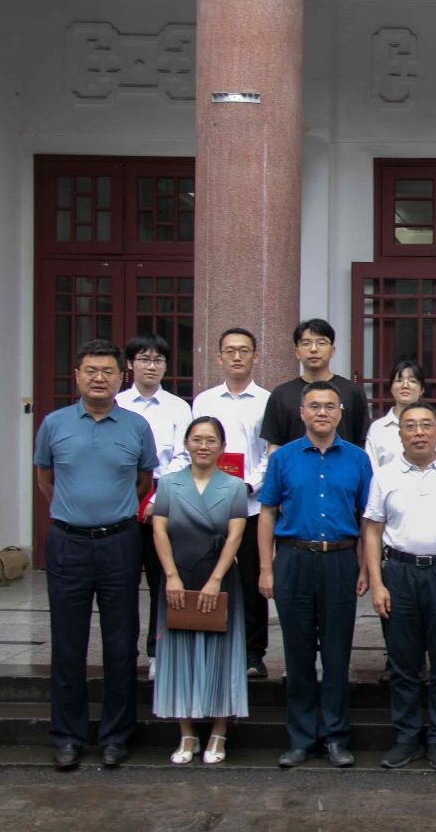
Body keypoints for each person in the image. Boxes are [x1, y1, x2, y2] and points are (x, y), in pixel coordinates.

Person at [34, 339, 157, 770]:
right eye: (91, 370)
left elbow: (143, 482)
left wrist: (109, 513)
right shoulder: (54, 424)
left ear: (121, 377)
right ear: (77, 376)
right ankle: (67, 737)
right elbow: (45, 478)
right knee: (68, 643)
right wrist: (75, 512)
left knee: (121, 642)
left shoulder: (137, 427)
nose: (99, 378)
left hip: (119, 542)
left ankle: (116, 736)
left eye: (108, 371)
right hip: (68, 542)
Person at [258, 380, 373, 769]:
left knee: (337, 653)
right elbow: (267, 513)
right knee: (299, 652)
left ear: (340, 413)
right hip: (294, 559)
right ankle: (301, 738)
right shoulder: (283, 458)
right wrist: (266, 568)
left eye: (329, 406)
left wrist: (364, 566)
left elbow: (368, 518)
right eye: (314, 406)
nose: (322, 412)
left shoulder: (358, 459)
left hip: (340, 560)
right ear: (302, 413)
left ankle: (336, 737)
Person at [362, 401, 436, 771]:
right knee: (403, 663)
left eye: (426, 425)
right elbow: (373, 530)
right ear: (400, 435)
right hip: (399, 573)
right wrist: (377, 582)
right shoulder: (385, 475)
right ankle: (407, 738)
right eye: (410, 426)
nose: (419, 432)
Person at [151, 417, 249, 766]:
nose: (203, 446)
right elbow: (159, 531)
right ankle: (187, 733)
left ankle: (219, 731)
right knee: (180, 651)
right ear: (186, 444)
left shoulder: (235, 487)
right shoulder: (168, 484)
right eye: (196, 439)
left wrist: (216, 579)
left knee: (221, 652)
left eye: (210, 440)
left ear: (222, 447)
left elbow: (236, 535)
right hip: (179, 575)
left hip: (219, 577)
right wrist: (171, 576)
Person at [191, 327, 273, 680]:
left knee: (253, 581)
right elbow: (195, 448)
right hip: (210, 504)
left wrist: (250, 484)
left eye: (244, 350)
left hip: (251, 505)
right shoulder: (204, 401)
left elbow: (271, 452)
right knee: (211, 576)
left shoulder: (268, 400)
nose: (237, 357)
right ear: (219, 357)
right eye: (230, 351)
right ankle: (213, 646)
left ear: (256, 356)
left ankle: (254, 653)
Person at [115, 334, 192, 680]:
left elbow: (183, 455)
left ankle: (157, 651)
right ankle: (123, 650)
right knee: (122, 582)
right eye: (144, 359)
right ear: (130, 364)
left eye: (158, 359)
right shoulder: (117, 404)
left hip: (165, 497)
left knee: (163, 581)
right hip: (121, 498)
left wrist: (156, 500)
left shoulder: (179, 407)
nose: (151, 366)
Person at [261, 318, 368, 453]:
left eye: (321, 343)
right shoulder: (281, 394)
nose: (313, 349)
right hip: (295, 466)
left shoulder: (352, 392)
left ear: (332, 351)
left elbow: (361, 443)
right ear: (297, 352)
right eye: (306, 343)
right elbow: (274, 444)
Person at [364, 360, 430, 468]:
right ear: (391, 388)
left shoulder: (432, 427)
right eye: (399, 380)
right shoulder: (378, 428)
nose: (405, 385)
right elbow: (371, 469)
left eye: (412, 381)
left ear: (422, 389)